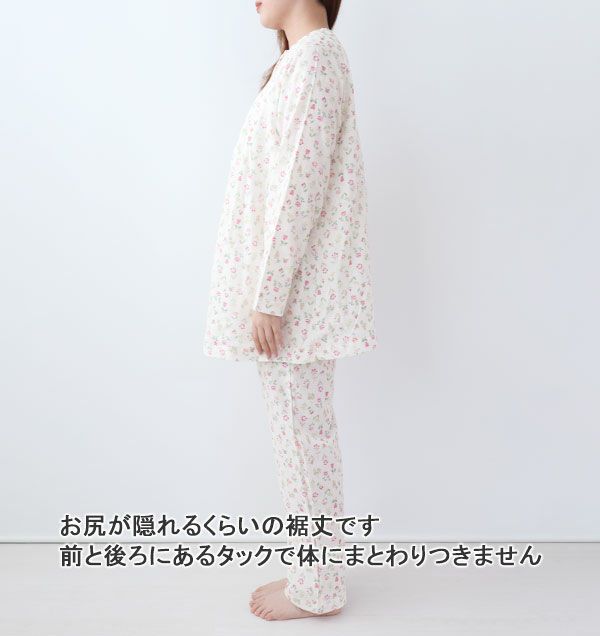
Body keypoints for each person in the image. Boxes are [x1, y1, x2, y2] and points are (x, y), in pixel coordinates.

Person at [203, 0, 377, 621]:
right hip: (290, 295)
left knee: (303, 441)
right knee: (297, 439)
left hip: (297, 298)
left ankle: (319, 586)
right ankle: (314, 572)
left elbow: (299, 187)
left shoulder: (317, 60)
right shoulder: (299, 62)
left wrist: (269, 297)